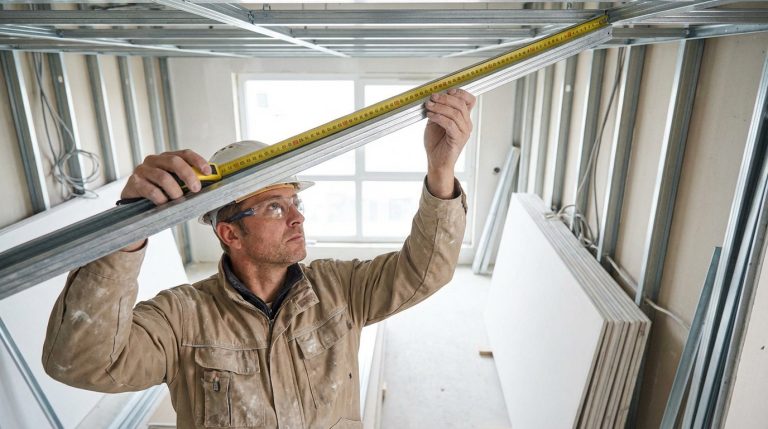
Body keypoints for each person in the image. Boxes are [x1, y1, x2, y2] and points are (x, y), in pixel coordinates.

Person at [42, 88, 476, 428]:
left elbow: (425, 272)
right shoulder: (183, 318)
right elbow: (82, 363)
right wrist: (126, 232)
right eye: (274, 207)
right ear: (230, 233)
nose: (297, 218)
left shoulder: (339, 290)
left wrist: (441, 171)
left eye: (294, 203)